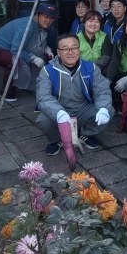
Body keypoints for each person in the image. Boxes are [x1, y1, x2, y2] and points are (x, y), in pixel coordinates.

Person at [36, 33, 114, 168]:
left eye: (74, 48)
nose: (70, 52)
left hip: (83, 109)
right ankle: (57, 140)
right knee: (43, 120)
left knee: (108, 110)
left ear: (79, 50)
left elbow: (102, 90)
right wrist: (58, 112)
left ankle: (84, 133)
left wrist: (103, 108)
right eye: (65, 49)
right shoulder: (47, 70)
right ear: (58, 53)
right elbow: (43, 97)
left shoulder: (91, 67)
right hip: (60, 110)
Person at [0, 2, 56, 102]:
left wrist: (46, 49)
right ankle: (6, 92)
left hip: (10, 48)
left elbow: (35, 42)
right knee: (16, 62)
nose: (48, 20)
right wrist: (33, 58)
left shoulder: (38, 25)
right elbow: (16, 49)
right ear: (37, 14)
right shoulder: (27, 26)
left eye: (51, 18)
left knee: (32, 56)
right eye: (45, 16)